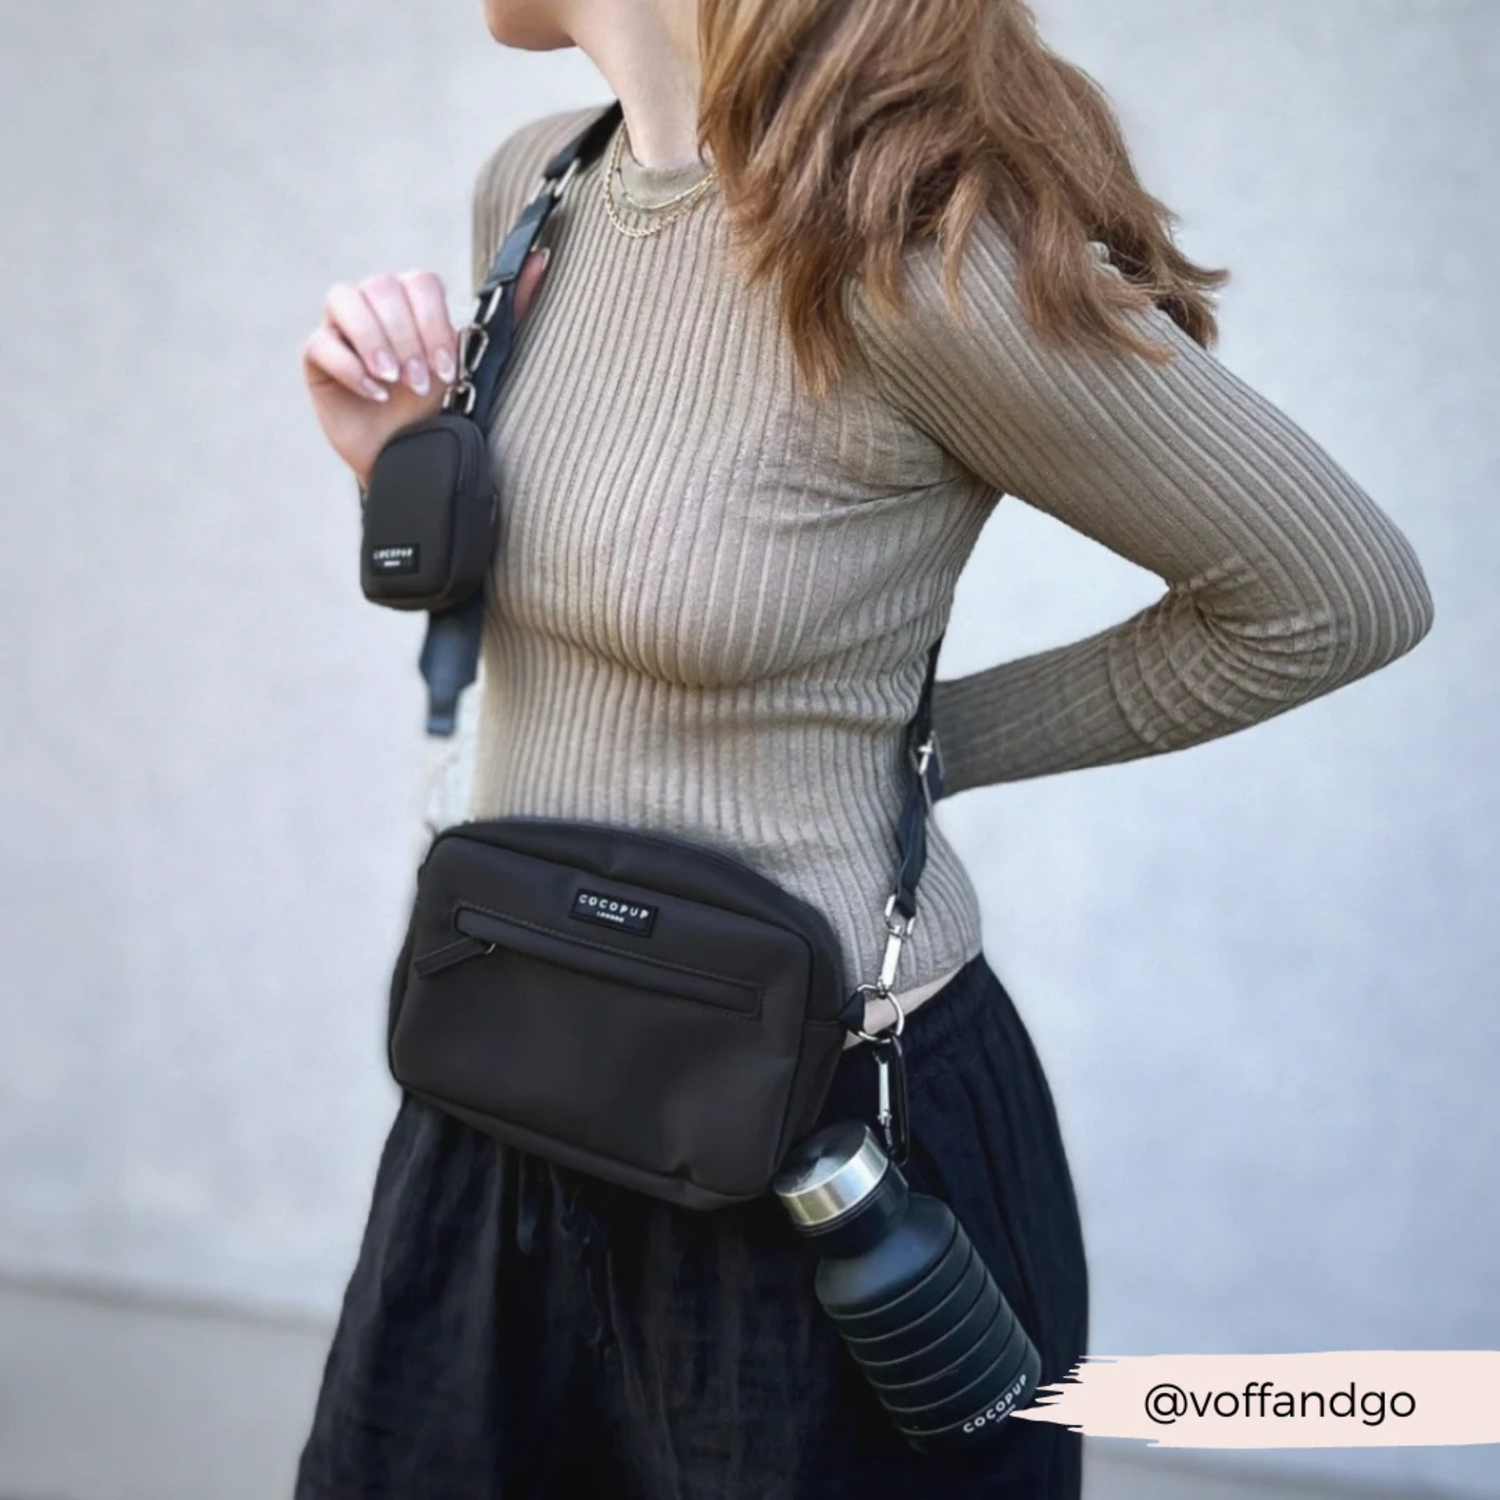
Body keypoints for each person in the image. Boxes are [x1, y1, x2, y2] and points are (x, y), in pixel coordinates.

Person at [294, 1, 1435, 1495]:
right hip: (506, 1087)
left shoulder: (921, 265)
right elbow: (609, 603)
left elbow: (1333, 597)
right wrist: (400, 471)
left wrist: (922, 747)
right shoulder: (538, 193)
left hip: (810, 1151)